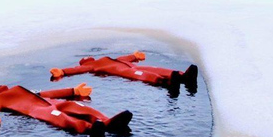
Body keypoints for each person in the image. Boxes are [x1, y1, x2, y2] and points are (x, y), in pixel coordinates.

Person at [0, 83, 132, 137]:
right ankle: (89, 129)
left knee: (79, 107)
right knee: (61, 117)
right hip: (40, 110)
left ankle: (106, 122)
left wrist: (73, 91)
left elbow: (50, 93)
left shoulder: (27, 91)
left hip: (53, 103)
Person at [49, 51, 198, 89]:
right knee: (144, 74)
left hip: (130, 67)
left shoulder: (106, 60)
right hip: (125, 71)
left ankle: (182, 75)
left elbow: (124, 58)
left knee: (154, 68)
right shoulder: (91, 66)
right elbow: (76, 70)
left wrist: (134, 56)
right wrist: (63, 71)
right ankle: (169, 80)